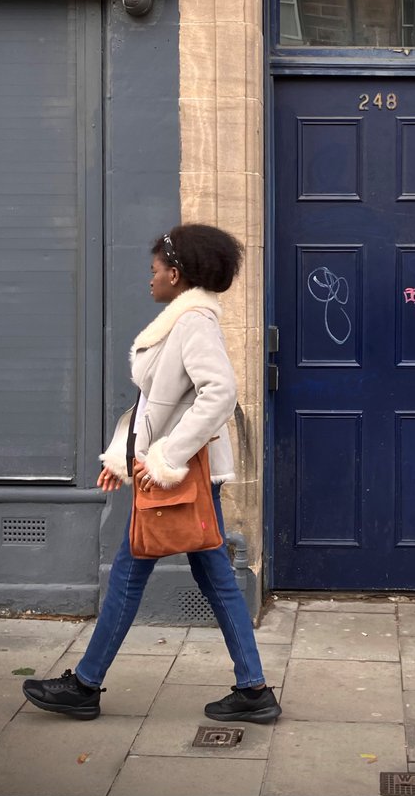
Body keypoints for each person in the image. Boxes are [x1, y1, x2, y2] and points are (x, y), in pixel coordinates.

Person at [22, 224, 281, 724]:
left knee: (129, 572)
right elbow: (152, 405)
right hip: (176, 475)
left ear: (176, 273)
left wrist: (167, 459)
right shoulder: (182, 323)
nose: (151, 279)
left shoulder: (193, 323)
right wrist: (122, 456)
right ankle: (253, 690)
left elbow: (219, 393)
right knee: (216, 580)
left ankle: (85, 685)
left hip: (179, 477)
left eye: (155, 270)